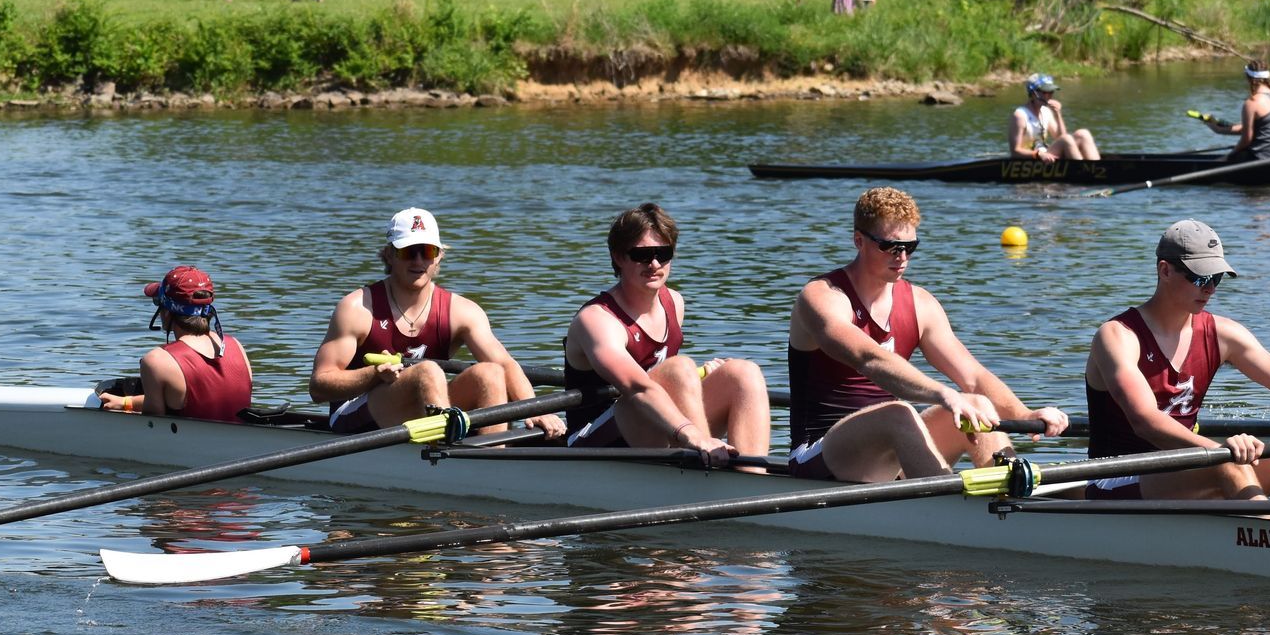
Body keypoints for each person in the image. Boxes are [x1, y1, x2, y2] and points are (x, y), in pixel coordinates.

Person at [1083, 219, 1270, 502]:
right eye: (1200, 277)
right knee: (1229, 464)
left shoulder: (1223, 333)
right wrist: (1220, 451)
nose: (1210, 289)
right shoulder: (1118, 336)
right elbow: (1144, 421)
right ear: (1165, 270)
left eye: (1217, 278)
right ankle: (1269, 543)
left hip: (1185, 467)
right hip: (1115, 475)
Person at [786, 187, 1069, 483]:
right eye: (892, 247)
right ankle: (945, 512)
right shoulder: (822, 296)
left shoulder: (920, 304)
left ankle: (1010, 502)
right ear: (859, 240)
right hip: (818, 454)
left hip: (888, 450)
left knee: (978, 403)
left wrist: (1024, 415)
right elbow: (867, 357)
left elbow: (971, 375)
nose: (903, 257)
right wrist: (943, 393)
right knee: (900, 413)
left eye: (911, 247)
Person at [309, 208, 564, 440]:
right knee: (427, 371)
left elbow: (505, 363)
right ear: (390, 254)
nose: (418, 261)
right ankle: (444, 454)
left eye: (427, 251)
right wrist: (374, 375)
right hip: (355, 414)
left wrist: (534, 409)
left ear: (439, 256)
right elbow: (319, 386)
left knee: (491, 373)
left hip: (425, 411)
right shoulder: (357, 308)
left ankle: (490, 458)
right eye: (409, 251)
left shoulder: (462, 311)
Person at [562, 203, 770, 467]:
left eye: (663, 253)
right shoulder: (597, 319)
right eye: (642, 255)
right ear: (618, 257)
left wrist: (700, 380)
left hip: (658, 428)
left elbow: (664, 378)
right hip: (593, 443)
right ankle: (705, 464)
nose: (655, 263)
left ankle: (751, 476)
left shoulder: (674, 302)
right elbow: (638, 386)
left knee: (742, 373)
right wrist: (694, 433)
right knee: (680, 367)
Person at [100, 267, 253, 422]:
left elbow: (152, 426)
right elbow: (212, 398)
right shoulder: (236, 346)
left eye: (157, 302)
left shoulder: (157, 361)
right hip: (246, 442)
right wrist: (127, 403)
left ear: (167, 311)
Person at [1202, 62, 1270, 164]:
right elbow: (1259, 129)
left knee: (1221, 160)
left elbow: (1246, 140)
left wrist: (1228, 156)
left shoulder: (1252, 103)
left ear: (1249, 78)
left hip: (1260, 160)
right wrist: (1218, 129)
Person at [1010, 74, 1100, 162]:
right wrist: (1039, 154)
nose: (1049, 96)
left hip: (1047, 155)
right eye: (1045, 92)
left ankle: (1098, 169)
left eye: (1051, 92)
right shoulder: (1020, 116)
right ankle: (1082, 171)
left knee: (1083, 134)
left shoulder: (1046, 112)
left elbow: (1060, 137)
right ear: (1034, 93)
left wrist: (1058, 114)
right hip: (1032, 159)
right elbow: (1015, 152)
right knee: (1066, 139)